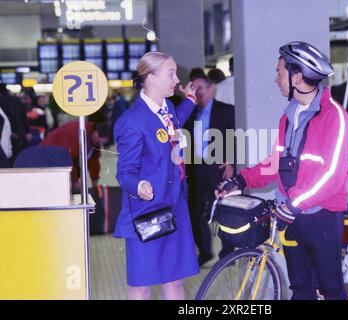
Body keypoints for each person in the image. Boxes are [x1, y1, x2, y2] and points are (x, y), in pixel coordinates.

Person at [216, 41, 348, 300]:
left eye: (280, 73)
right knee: (300, 290)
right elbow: (275, 163)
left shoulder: (334, 117)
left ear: (297, 77)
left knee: (331, 289)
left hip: (321, 217)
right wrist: (240, 179)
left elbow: (331, 176)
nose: (276, 79)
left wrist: (294, 204)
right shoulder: (288, 117)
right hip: (291, 216)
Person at [113, 52, 199, 300]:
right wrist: (139, 184)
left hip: (174, 204)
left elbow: (173, 123)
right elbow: (125, 172)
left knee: (174, 280)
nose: (176, 79)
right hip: (147, 211)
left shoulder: (168, 107)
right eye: (170, 74)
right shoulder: (131, 121)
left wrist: (190, 99)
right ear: (150, 77)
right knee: (142, 284)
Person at [184, 73, 235, 266]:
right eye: (193, 89)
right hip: (197, 169)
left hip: (219, 168)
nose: (197, 93)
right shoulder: (190, 113)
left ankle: (227, 252)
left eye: (200, 88)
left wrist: (231, 162)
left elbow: (236, 138)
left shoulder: (226, 111)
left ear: (211, 88)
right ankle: (205, 251)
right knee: (195, 212)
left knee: (223, 212)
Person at [39, 113, 109, 190]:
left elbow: (93, 161)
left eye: (101, 143)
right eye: (98, 139)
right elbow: (68, 158)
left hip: (61, 161)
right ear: (96, 131)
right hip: (48, 156)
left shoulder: (94, 142)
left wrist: (95, 182)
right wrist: (75, 181)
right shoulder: (78, 132)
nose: (99, 143)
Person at [0, 83, 31, 162]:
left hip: (8, 134)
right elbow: (24, 116)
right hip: (19, 132)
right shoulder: (16, 99)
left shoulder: (1, 101)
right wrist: (27, 131)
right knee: (18, 158)